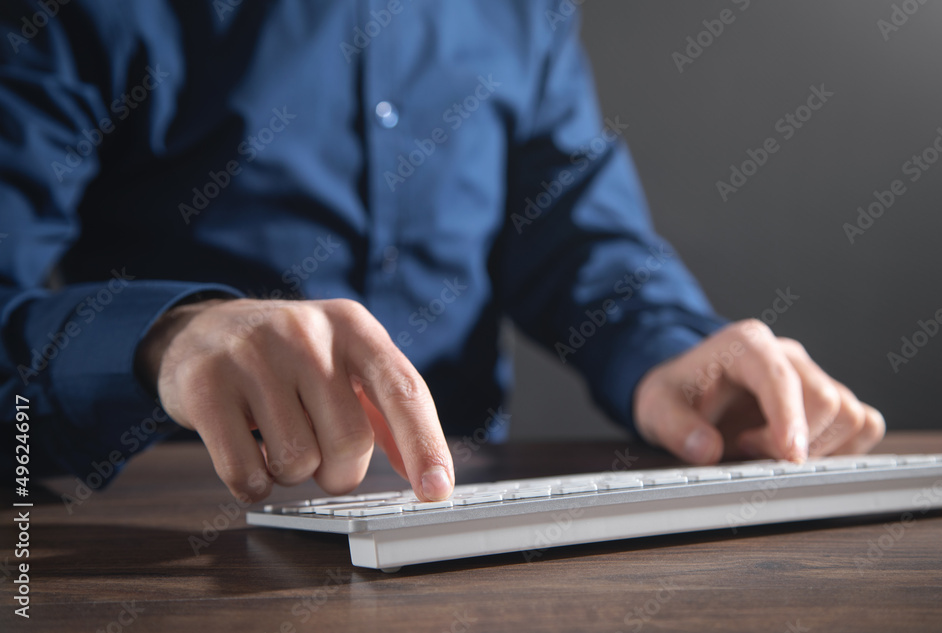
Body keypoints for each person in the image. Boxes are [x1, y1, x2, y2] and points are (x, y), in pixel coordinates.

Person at [0, 1, 883, 504]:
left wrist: (673, 354)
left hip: (461, 523)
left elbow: (571, 226)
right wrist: (164, 338)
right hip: (165, 535)